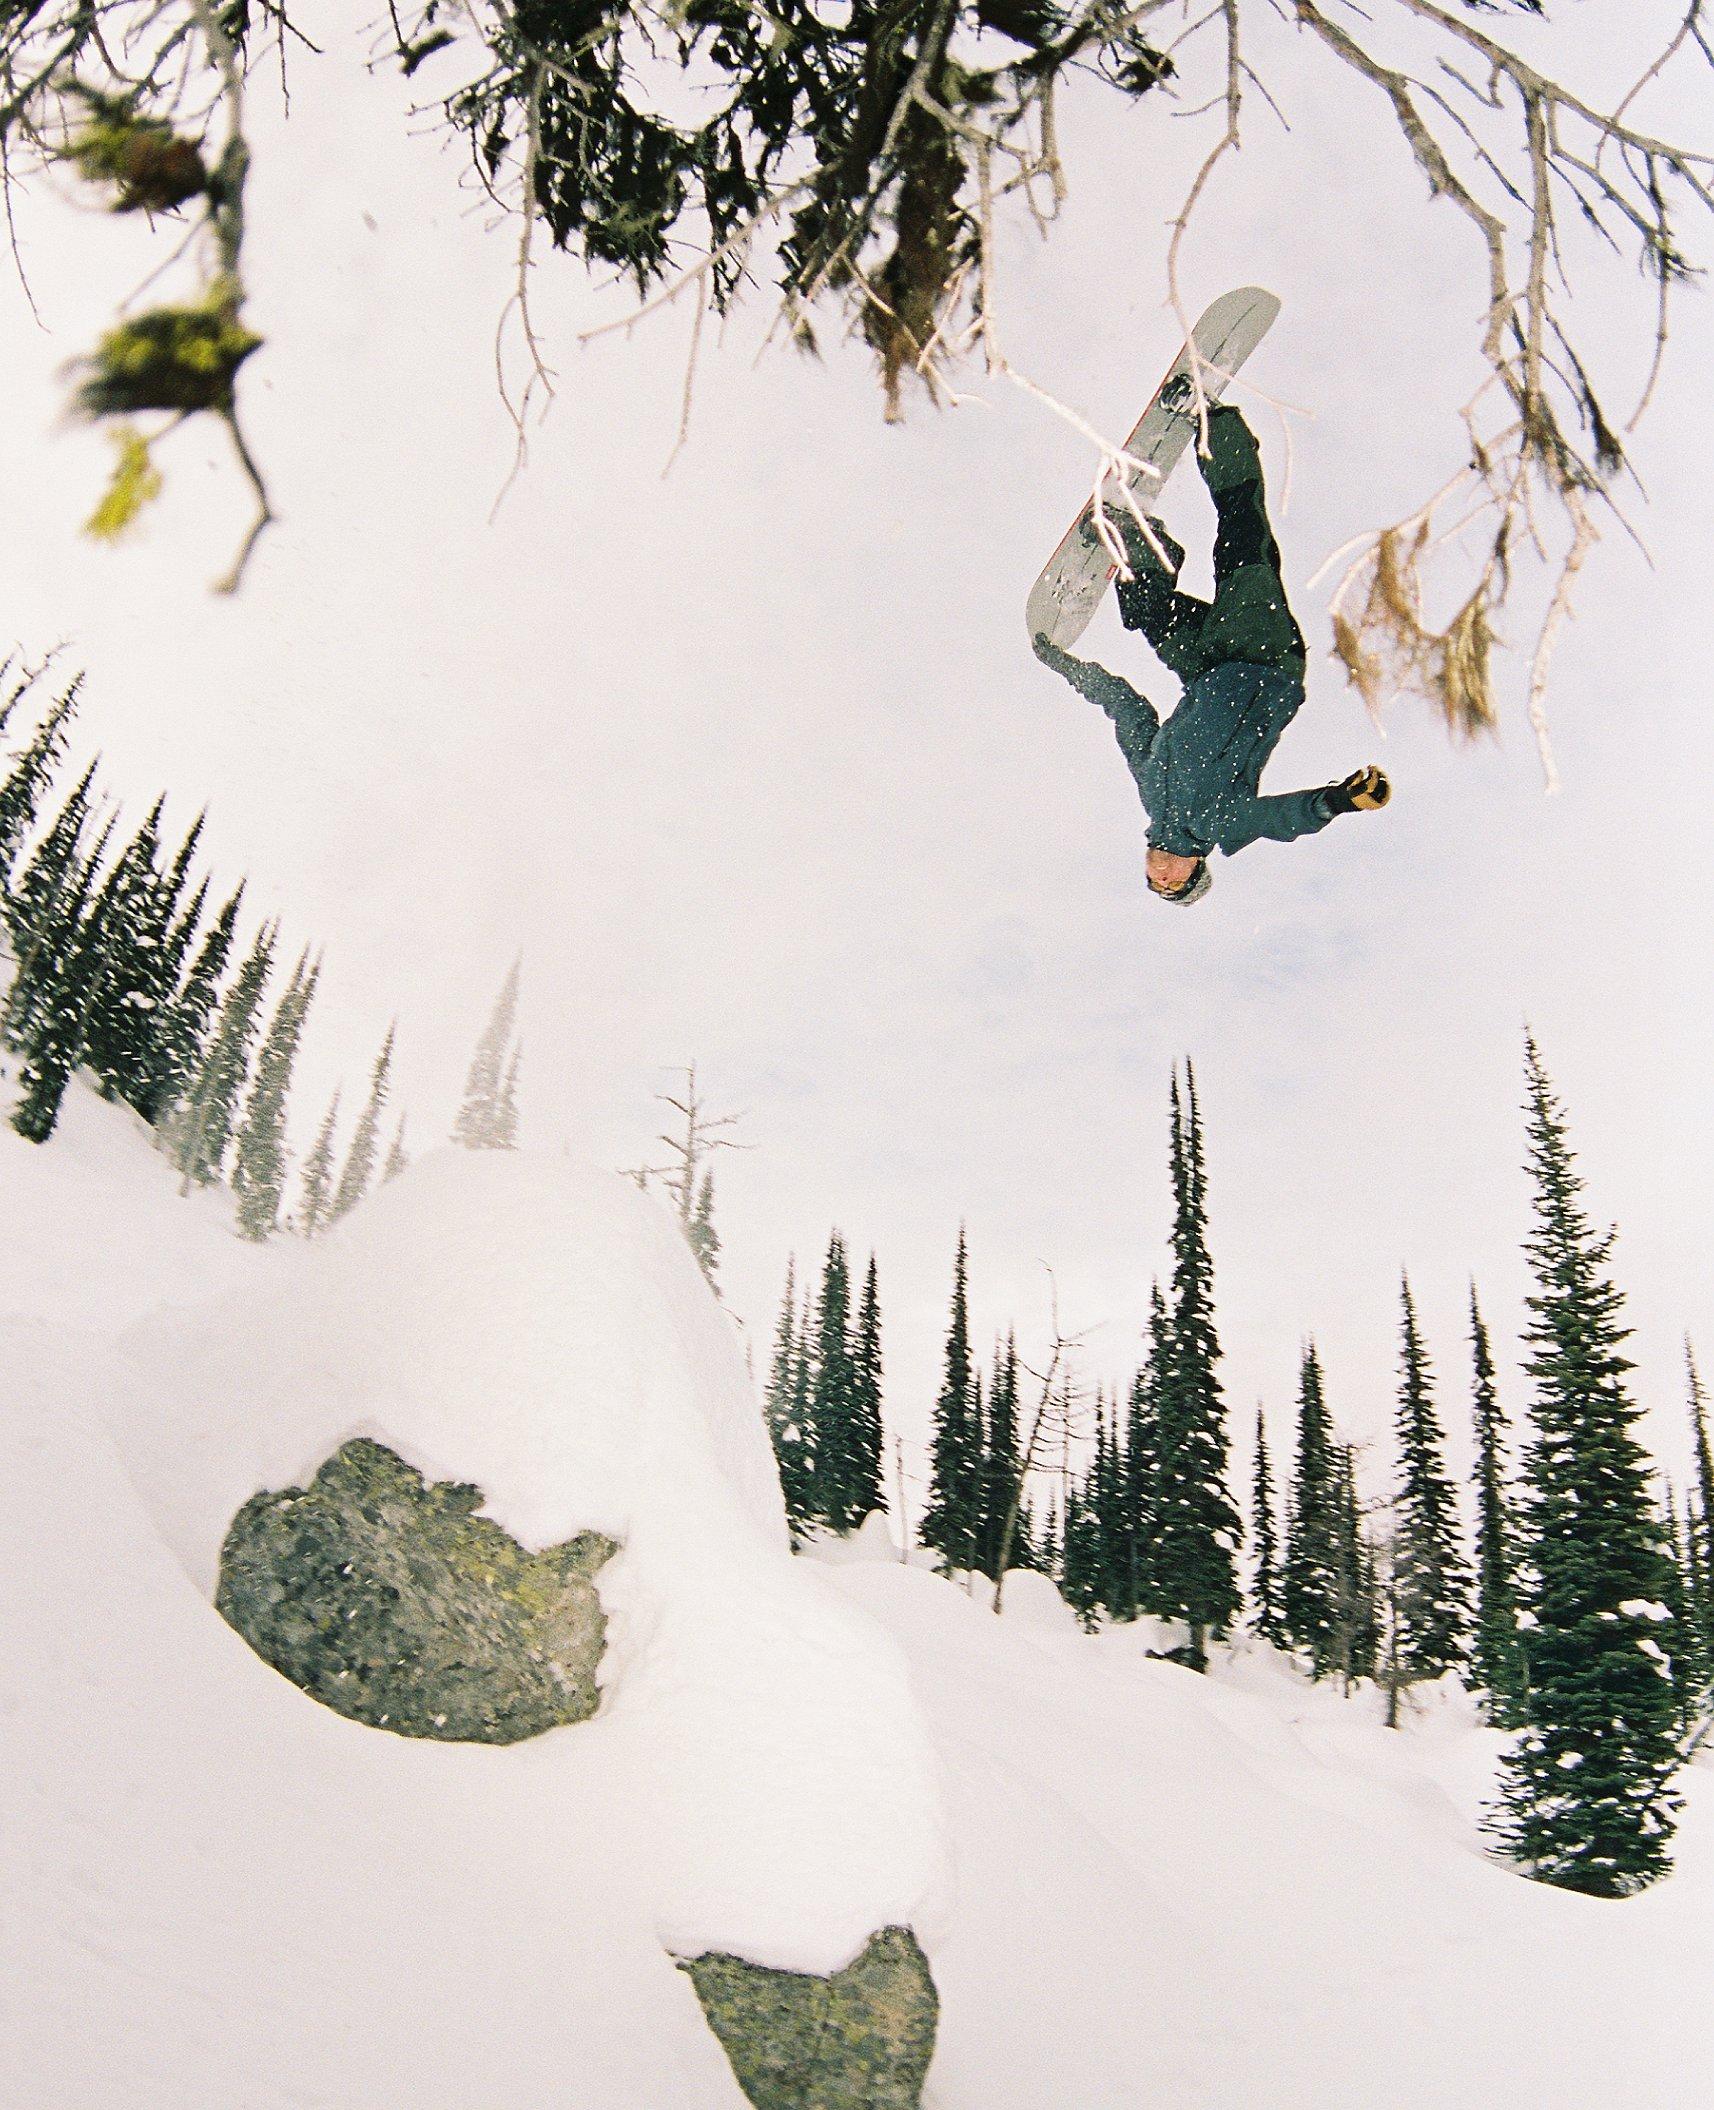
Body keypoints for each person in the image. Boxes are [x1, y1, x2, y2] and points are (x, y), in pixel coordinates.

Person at [1033, 393, 1390, 907]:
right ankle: (1214, 421)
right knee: (1241, 539)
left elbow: (1129, 710)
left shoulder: (1152, 794)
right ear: (1195, 867)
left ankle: (1143, 540)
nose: (1161, 875)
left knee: (1151, 618)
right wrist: (1339, 801)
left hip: (1208, 667)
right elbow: (1280, 819)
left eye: (1155, 883)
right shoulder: (1220, 822)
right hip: (1264, 661)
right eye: (1175, 882)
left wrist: (1065, 665)